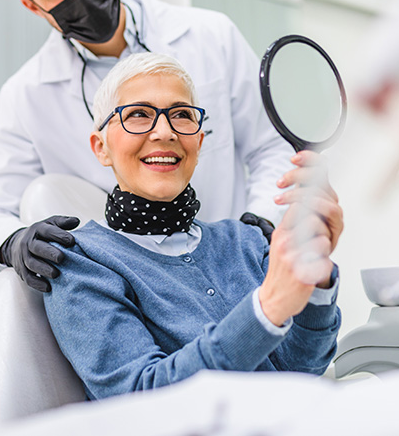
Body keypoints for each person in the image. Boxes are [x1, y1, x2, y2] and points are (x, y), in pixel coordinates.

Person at [0, 0, 294, 291]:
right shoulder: (26, 95)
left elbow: (271, 148)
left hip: (236, 269)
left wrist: (259, 224)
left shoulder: (211, 37)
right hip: (131, 293)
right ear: (34, 7)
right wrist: (12, 242)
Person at [43, 52, 342, 400]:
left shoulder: (246, 242)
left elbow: (302, 368)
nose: (164, 132)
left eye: (182, 115)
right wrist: (268, 307)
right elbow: (142, 400)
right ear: (101, 147)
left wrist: (316, 280)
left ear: (198, 142)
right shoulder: (82, 264)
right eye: (138, 114)